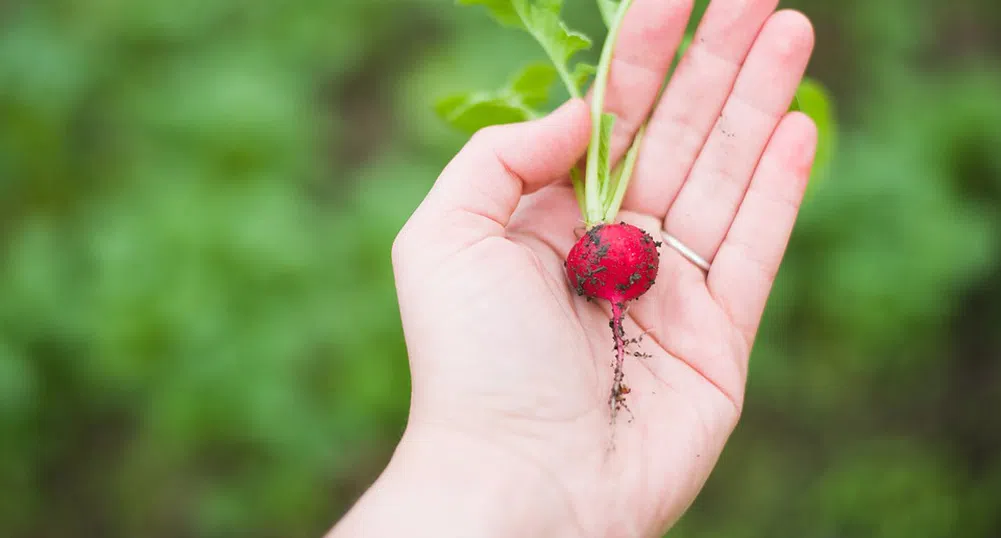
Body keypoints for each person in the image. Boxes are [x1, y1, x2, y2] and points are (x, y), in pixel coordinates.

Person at [328, 0, 817, 536]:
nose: (616, 317)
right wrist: (504, 445)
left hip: (610, 250)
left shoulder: (609, 256)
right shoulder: (604, 257)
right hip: (608, 249)